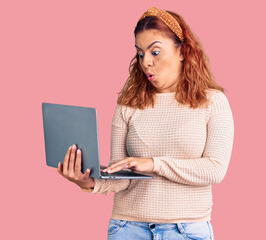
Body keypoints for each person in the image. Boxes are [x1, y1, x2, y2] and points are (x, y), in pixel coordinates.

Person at [57, 6, 234, 240]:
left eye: (155, 52)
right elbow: (122, 180)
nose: (146, 62)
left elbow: (215, 169)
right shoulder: (129, 103)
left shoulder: (213, 102)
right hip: (127, 228)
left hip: (186, 231)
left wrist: (153, 164)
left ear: (183, 52)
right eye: (140, 54)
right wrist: (87, 181)